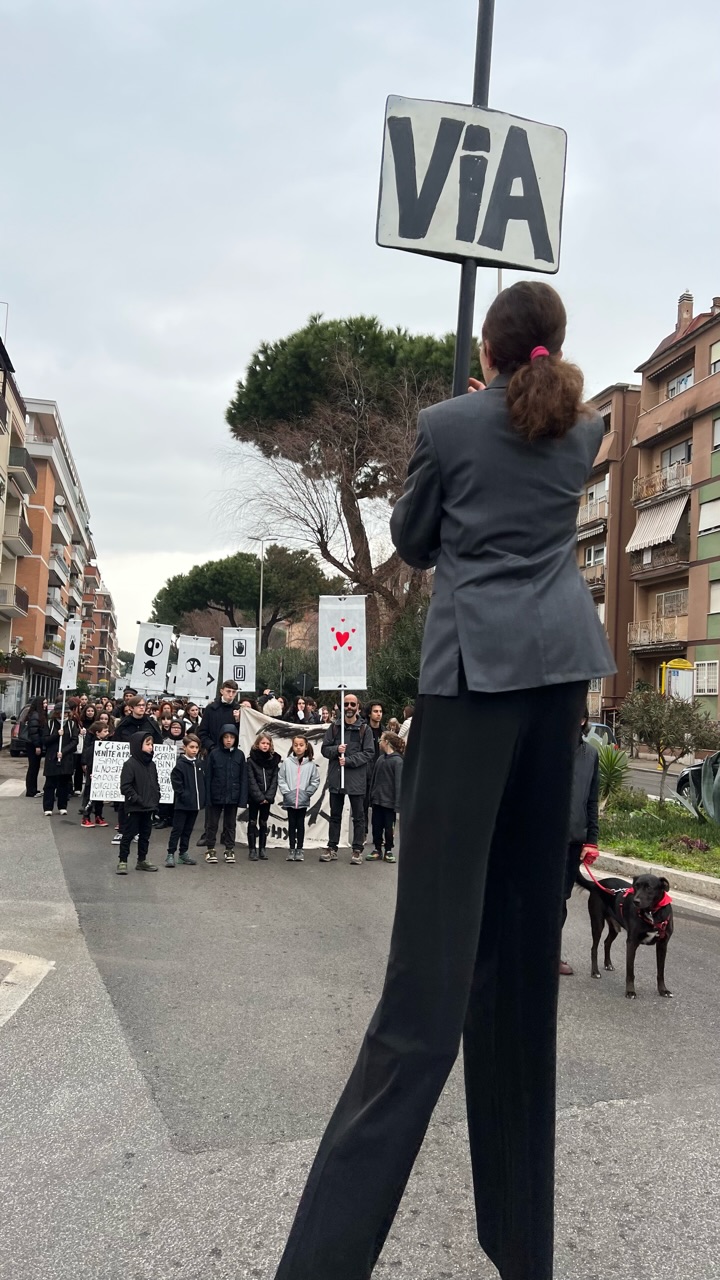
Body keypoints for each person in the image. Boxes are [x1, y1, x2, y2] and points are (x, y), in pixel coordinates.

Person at [273, 281, 615, 1280]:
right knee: (517, 973)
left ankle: (321, 1263)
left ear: (490, 348)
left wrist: (465, 416)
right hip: (558, 686)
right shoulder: (586, 429)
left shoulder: (447, 423)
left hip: (471, 687)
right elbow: (535, 434)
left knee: (424, 987)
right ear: (553, 346)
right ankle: (522, 1252)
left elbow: (417, 540)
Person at [560, 708, 601, 976]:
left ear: (583, 720)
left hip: (573, 840)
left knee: (560, 900)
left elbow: (592, 800)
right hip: (541, 840)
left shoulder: (591, 755)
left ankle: (550, 953)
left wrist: (592, 840)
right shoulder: (546, 751)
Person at [320, 693, 375, 866]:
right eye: (346, 704)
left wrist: (349, 761)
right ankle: (332, 847)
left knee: (358, 816)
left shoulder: (365, 730)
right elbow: (324, 749)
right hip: (337, 779)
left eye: (352, 704)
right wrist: (337, 749)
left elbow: (369, 753)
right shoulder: (335, 728)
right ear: (342, 707)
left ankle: (357, 849)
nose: (349, 707)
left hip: (356, 780)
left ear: (358, 707)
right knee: (335, 815)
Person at [203, 722, 247, 865]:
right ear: (221, 738)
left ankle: (229, 849)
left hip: (232, 797)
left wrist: (242, 799)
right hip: (216, 795)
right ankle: (210, 849)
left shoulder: (240, 755)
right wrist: (207, 798)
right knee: (212, 824)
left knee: (230, 824)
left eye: (232, 737)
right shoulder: (214, 754)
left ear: (236, 739)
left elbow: (243, 778)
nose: (229, 740)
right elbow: (208, 776)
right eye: (226, 737)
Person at [117, 733, 161, 873]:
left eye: (151, 744)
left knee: (145, 835)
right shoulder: (130, 764)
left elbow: (155, 783)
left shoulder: (151, 764)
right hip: (135, 807)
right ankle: (122, 861)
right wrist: (137, 799)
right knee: (128, 834)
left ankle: (142, 860)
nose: (151, 747)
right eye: (147, 744)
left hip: (149, 807)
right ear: (138, 746)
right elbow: (125, 787)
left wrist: (156, 797)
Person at [278, 735, 320, 862]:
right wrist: (287, 792)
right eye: (296, 745)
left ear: (306, 746)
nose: (298, 747)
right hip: (290, 800)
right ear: (292, 746)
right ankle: (291, 849)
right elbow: (281, 778)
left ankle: (300, 849)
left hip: (302, 800)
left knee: (300, 824)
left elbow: (315, 780)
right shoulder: (287, 762)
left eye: (301, 745)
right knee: (291, 824)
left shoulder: (311, 764)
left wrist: (307, 793)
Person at [165, 735, 204, 867]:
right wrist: (184, 795)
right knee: (177, 829)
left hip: (195, 804)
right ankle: (170, 854)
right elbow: (177, 784)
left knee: (188, 830)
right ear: (184, 747)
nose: (194, 750)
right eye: (191, 747)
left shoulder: (198, 764)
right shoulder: (180, 765)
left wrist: (201, 798)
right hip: (182, 804)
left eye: (196, 747)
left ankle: (183, 853)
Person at [366, 731, 404, 864]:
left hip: (390, 803)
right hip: (377, 800)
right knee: (376, 826)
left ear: (386, 742)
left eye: (381, 740)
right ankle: (377, 849)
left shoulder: (398, 761)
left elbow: (399, 783)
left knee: (389, 827)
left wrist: (398, 804)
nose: (379, 743)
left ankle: (388, 850)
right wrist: (371, 797)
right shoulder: (380, 759)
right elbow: (374, 779)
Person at [246, 731, 281, 861]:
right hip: (255, 798)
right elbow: (251, 780)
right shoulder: (251, 761)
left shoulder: (274, 760)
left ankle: (262, 848)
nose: (265, 745)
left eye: (268, 743)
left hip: (267, 798)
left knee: (263, 822)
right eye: (263, 743)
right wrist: (259, 797)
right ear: (257, 744)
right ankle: (252, 849)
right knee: (252, 821)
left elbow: (274, 780)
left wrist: (268, 796)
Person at [42, 705, 79, 815]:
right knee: (50, 783)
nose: (64, 715)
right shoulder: (50, 724)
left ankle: (62, 806)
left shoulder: (72, 724)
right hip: (52, 757)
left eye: (66, 713)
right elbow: (45, 740)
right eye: (62, 713)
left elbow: (74, 741)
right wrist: (56, 735)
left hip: (66, 758)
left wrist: (63, 752)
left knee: (64, 783)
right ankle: (48, 807)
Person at [80, 723, 111, 827]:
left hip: (102, 772)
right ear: (97, 733)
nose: (107, 733)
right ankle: (86, 817)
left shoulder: (106, 743)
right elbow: (89, 757)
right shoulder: (93, 744)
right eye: (105, 731)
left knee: (100, 796)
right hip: (93, 772)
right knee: (90, 795)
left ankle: (98, 816)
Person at [199, 680, 239, 753]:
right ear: (222, 691)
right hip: (213, 751)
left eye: (233, 692)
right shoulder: (211, 708)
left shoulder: (239, 709)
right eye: (228, 691)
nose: (231, 694)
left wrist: (238, 720)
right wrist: (211, 746)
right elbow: (202, 732)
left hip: (233, 752)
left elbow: (242, 733)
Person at [24, 696, 47, 797]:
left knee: (35, 767)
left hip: (34, 744)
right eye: (44, 703)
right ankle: (31, 790)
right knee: (33, 767)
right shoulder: (35, 715)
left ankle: (33, 789)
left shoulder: (38, 715)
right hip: (33, 745)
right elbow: (34, 732)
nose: (46, 705)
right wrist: (37, 746)